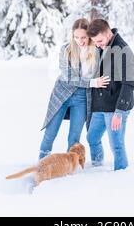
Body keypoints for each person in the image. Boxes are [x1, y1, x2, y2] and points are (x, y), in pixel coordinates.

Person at [39, 18, 110, 160]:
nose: (80, 41)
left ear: (89, 35)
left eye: (83, 37)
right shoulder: (66, 49)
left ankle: (69, 167)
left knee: (74, 137)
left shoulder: (97, 51)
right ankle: (41, 164)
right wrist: (92, 83)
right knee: (50, 133)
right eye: (76, 37)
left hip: (82, 98)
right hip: (62, 94)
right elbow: (69, 78)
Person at [86, 19, 134, 171]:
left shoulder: (123, 50)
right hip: (100, 105)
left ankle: (121, 175)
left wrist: (119, 112)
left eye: (99, 41)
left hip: (115, 108)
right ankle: (96, 167)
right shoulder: (102, 46)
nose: (97, 44)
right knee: (92, 138)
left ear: (108, 34)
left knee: (117, 145)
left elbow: (129, 85)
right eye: (95, 42)